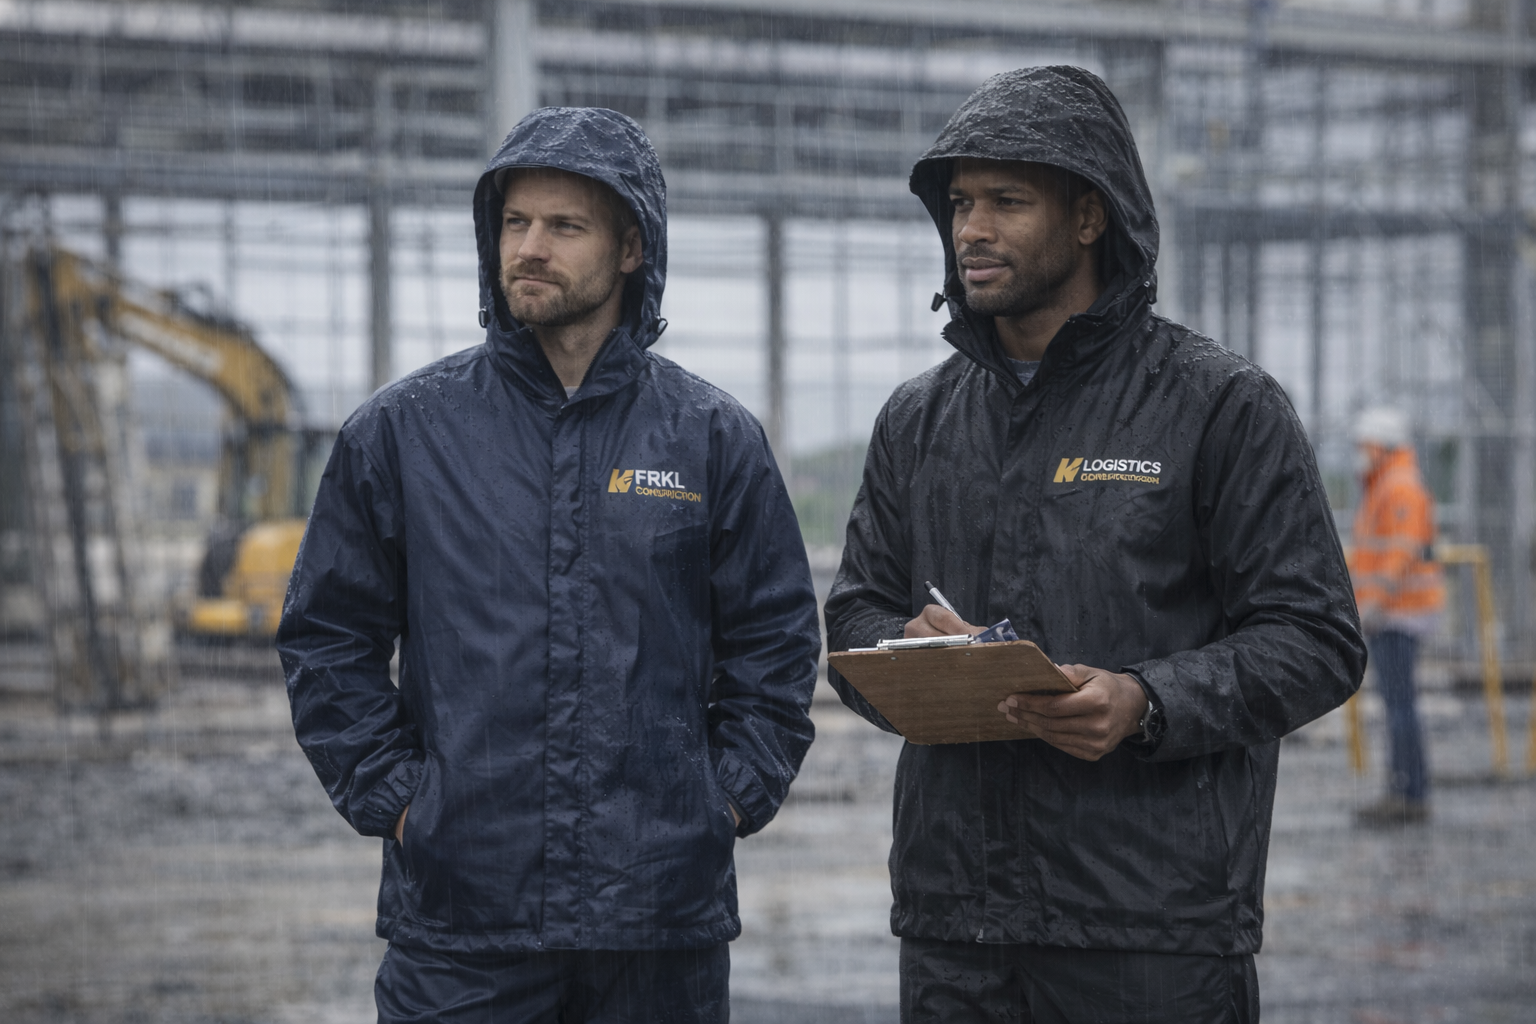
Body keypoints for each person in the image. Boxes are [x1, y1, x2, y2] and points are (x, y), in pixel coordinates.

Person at [824, 66, 1366, 1023]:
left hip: (1149, 928)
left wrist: (1148, 701)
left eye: (1007, 202)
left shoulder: (1218, 406)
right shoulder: (918, 419)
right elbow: (855, 613)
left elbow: (1316, 638)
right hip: (958, 928)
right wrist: (909, 654)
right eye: (959, 203)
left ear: (1089, 218)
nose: (972, 230)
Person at [276, 106, 820, 1024]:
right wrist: (404, 802)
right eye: (515, 223)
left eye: (564, 227)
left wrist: (722, 799)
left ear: (631, 249)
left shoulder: (710, 437)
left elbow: (775, 642)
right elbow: (328, 636)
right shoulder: (405, 433)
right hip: (461, 927)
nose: (530, 247)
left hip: (659, 932)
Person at [1349, 406, 1444, 826]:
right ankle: (1406, 789)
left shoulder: (1398, 485)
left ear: (1382, 445)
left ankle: (1409, 792)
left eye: (1363, 445)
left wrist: (1377, 601)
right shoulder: (1386, 483)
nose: (1359, 453)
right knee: (1399, 704)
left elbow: (1402, 549)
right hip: (1393, 613)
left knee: (1400, 706)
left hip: (1399, 614)